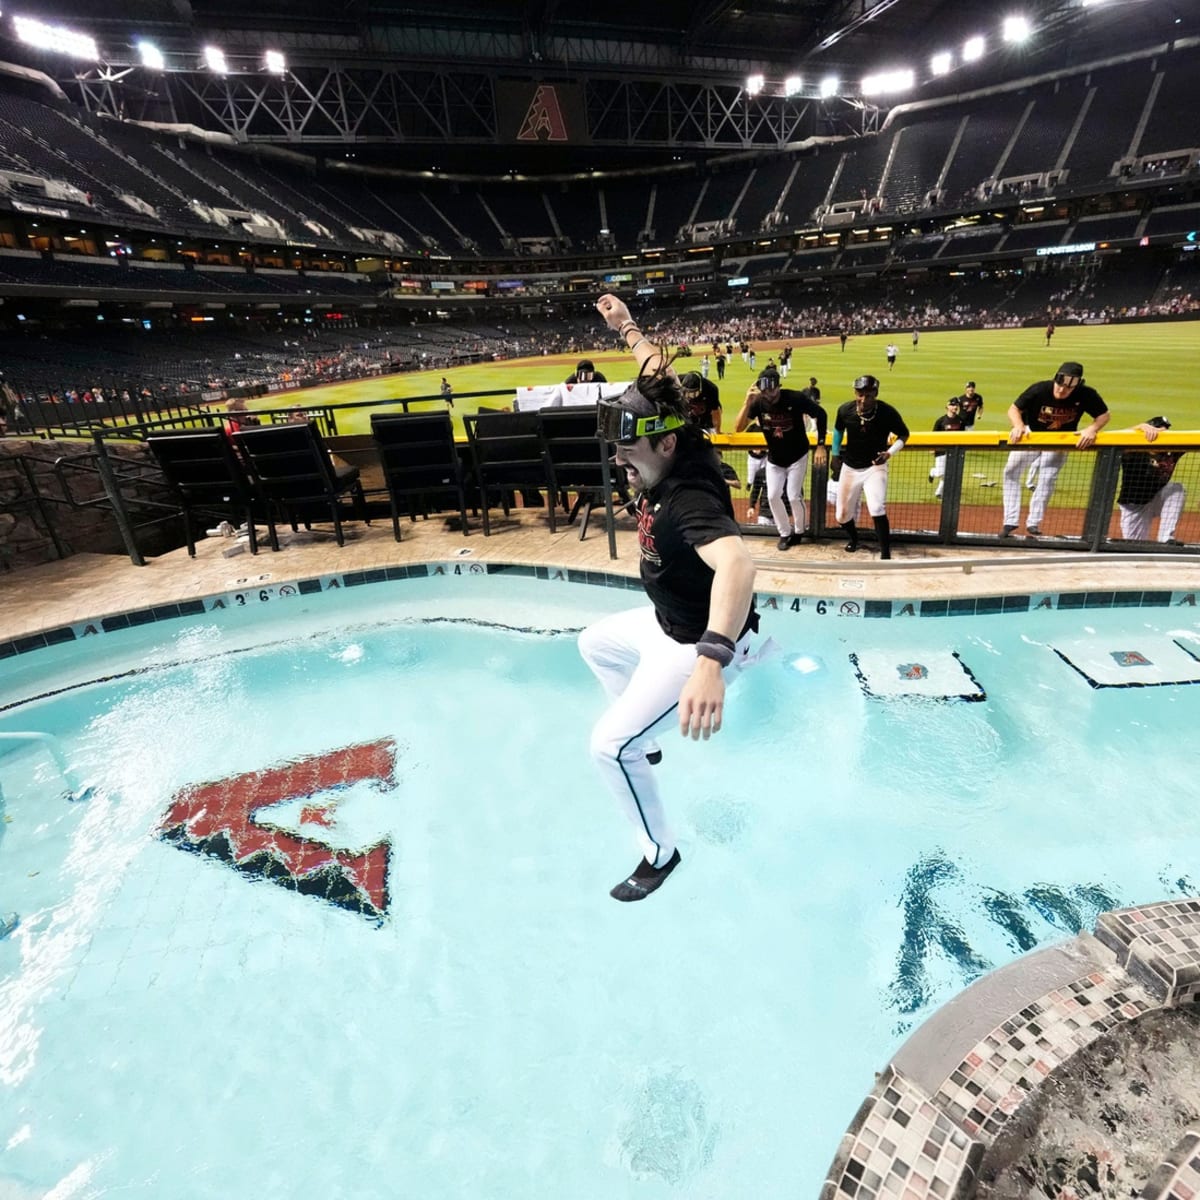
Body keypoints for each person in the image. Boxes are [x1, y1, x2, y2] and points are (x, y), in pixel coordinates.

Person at [580, 293, 758, 902]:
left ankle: (660, 852)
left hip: (696, 641)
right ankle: (649, 745)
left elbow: (738, 562)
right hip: (665, 620)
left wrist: (711, 662)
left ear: (665, 445)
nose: (617, 459)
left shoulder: (688, 500)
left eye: (628, 449)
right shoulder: (675, 429)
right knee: (595, 645)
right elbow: (661, 375)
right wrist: (626, 327)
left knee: (607, 745)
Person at [1002, 361, 1109, 537]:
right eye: (1060, 385)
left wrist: (1092, 429)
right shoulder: (1039, 389)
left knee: (1048, 478)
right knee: (1011, 472)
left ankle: (1033, 523)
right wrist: (1018, 425)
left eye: (1068, 388)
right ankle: (1010, 520)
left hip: (1061, 440)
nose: (1062, 390)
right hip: (1032, 435)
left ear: (1076, 386)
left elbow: (1104, 415)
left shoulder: (1086, 394)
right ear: (1056, 380)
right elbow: (1014, 408)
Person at [735, 367, 827, 550]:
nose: (769, 394)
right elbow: (738, 428)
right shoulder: (758, 403)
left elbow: (821, 414)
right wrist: (747, 402)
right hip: (775, 458)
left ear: (779, 386)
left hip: (797, 455)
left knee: (793, 496)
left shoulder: (795, 398)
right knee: (772, 496)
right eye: (765, 390)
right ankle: (784, 533)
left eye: (772, 389)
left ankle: (799, 531)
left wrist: (821, 445)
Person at [832, 374, 909, 559]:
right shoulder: (845, 410)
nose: (864, 399)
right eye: (860, 394)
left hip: (875, 466)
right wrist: (834, 454)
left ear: (875, 393)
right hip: (850, 467)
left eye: (868, 395)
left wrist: (889, 453)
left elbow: (904, 435)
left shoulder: (887, 412)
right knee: (841, 515)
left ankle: (885, 554)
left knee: (876, 508)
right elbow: (838, 430)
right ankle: (854, 539)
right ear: (855, 392)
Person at [1117, 416, 1185, 545]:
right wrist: (1138, 427)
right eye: (1158, 430)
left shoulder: (1172, 450)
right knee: (1136, 547)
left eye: (1165, 430)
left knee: (1176, 488)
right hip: (1134, 506)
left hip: (1157, 500)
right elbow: (1116, 438)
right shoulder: (1135, 450)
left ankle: (1166, 538)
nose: (1162, 433)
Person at [930, 398, 966, 499]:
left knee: (949, 474)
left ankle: (939, 493)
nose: (955, 407)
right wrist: (932, 448)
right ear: (948, 407)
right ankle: (933, 472)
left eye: (956, 406)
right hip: (941, 450)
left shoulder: (960, 421)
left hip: (955, 450)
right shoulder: (941, 421)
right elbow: (933, 435)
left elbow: (963, 436)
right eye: (953, 405)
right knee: (940, 473)